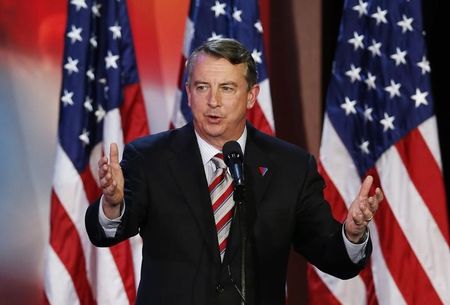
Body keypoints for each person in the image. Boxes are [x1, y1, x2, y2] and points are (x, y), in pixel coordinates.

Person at [85, 38, 383, 305]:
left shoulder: (289, 167)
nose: (213, 101)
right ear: (188, 93)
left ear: (251, 96)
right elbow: (106, 234)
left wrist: (352, 234)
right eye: (202, 87)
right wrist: (113, 205)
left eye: (226, 88)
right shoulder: (150, 157)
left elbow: (332, 256)